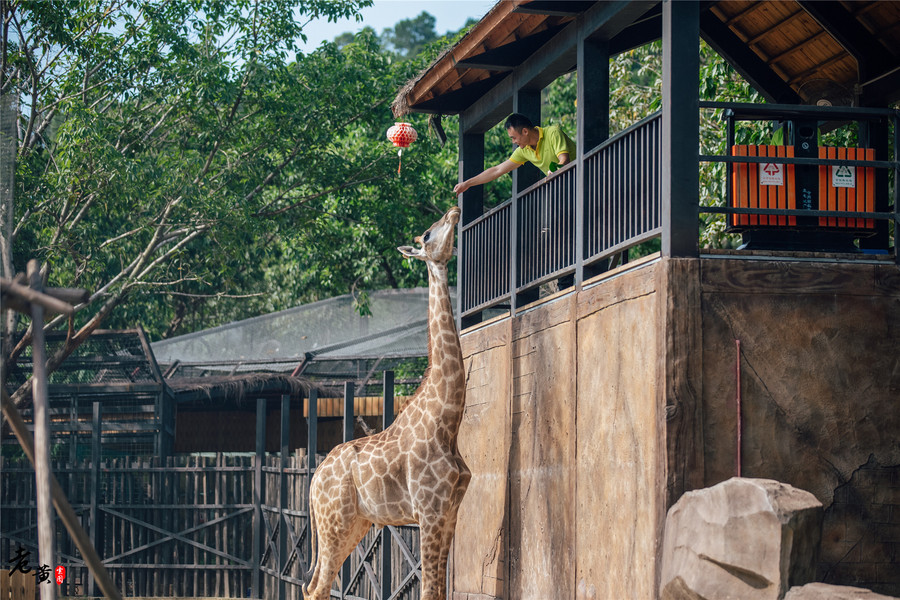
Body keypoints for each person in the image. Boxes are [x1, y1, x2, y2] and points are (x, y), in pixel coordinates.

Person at [453, 113, 576, 195]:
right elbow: (497, 170)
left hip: (582, 175)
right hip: (564, 188)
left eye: (514, 138)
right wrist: (467, 183)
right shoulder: (523, 151)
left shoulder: (552, 133)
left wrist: (554, 170)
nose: (514, 142)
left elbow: (564, 160)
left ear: (525, 131)